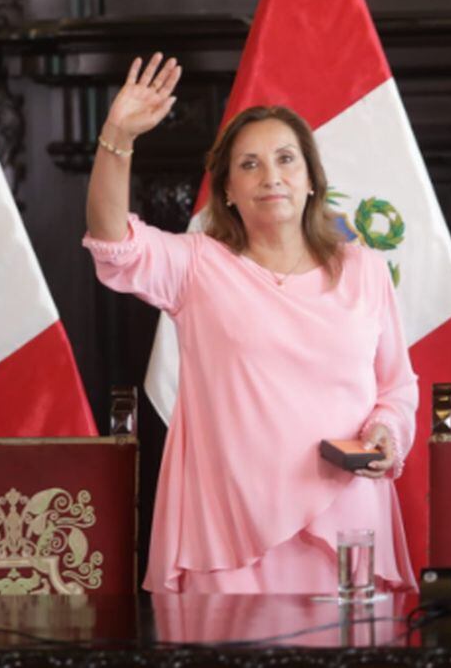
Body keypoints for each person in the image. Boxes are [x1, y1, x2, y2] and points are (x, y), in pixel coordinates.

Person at [82, 53, 418, 594]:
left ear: (311, 179)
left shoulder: (365, 270)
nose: (271, 177)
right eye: (249, 164)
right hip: (229, 531)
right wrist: (117, 135)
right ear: (228, 192)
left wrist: (387, 433)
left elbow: (397, 388)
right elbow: (111, 242)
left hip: (346, 519)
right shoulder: (196, 265)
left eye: (286, 159)